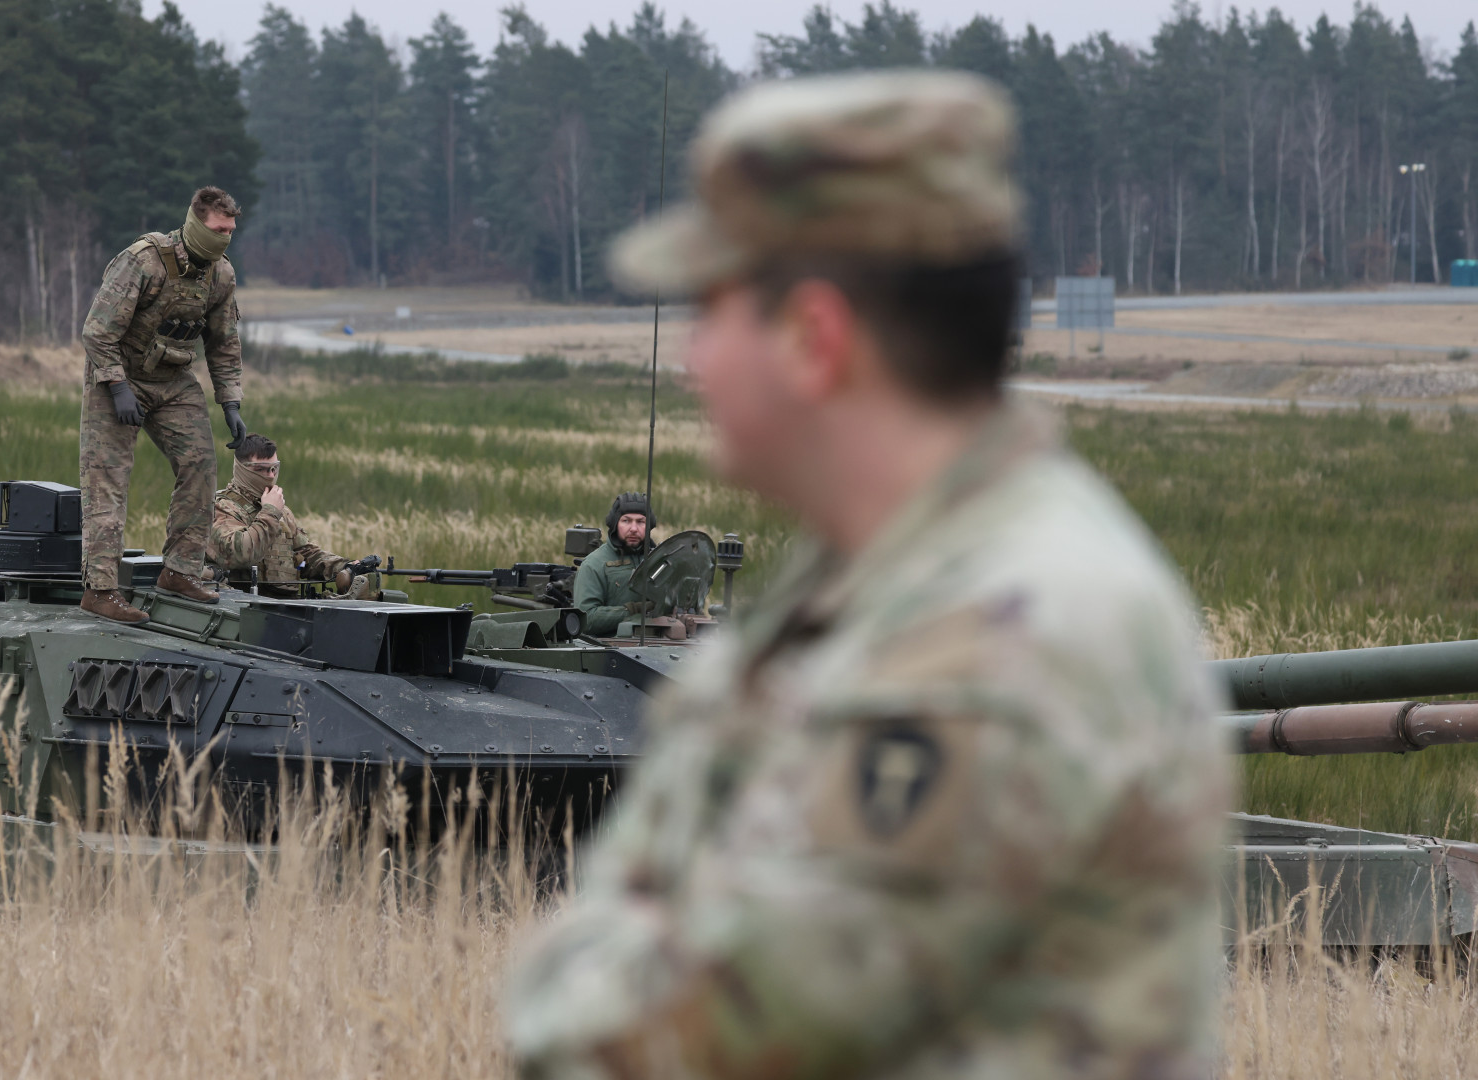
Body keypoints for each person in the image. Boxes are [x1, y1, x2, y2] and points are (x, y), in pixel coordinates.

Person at [506, 72, 1232, 1080]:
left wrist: (567, 974)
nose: (698, 358)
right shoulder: (882, 578)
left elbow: (656, 1040)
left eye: (715, 310)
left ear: (814, 339)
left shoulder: (997, 637)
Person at [77, 185, 250, 624]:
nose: (225, 237)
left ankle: (180, 571)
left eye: (231, 230)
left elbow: (224, 343)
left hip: (173, 380)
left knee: (200, 466)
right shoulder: (145, 260)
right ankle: (100, 590)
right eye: (218, 229)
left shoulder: (221, 276)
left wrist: (230, 401)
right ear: (196, 222)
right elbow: (97, 332)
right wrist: (116, 387)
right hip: (117, 373)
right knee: (107, 480)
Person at [210, 433, 377, 599]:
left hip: (286, 606)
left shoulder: (281, 511)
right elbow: (237, 555)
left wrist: (344, 567)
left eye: (273, 469)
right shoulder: (222, 508)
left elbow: (304, 558)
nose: (269, 476)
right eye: (260, 469)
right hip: (243, 608)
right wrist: (270, 512)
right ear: (242, 469)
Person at [573, 492, 657, 637]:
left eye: (640, 522)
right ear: (615, 523)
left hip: (661, 645)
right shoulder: (595, 564)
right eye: (626, 521)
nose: (634, 528)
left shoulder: (659, 560)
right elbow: (586, 618)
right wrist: (633, 610)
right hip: (611, 649)